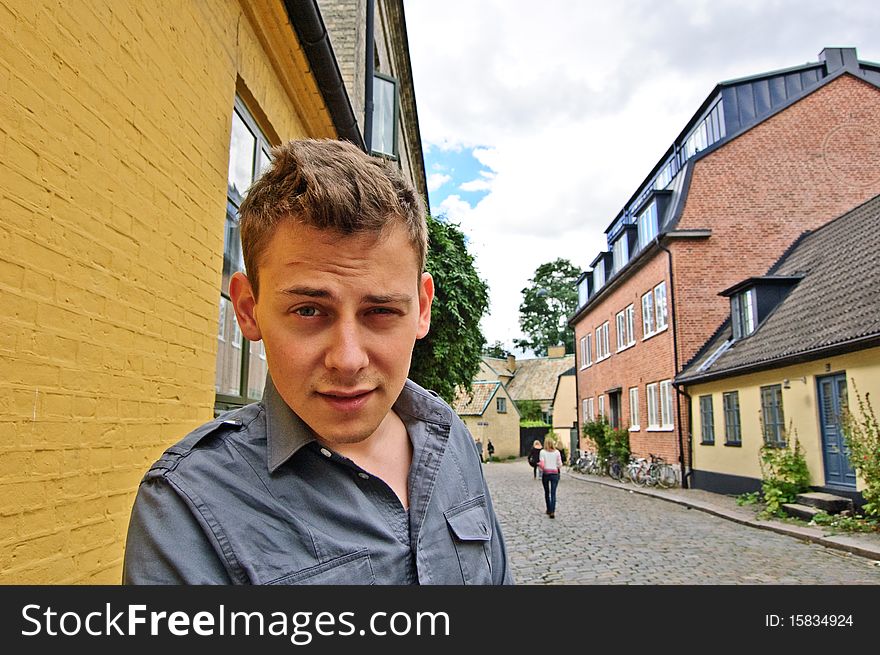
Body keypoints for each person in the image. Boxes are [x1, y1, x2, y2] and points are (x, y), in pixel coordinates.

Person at [123, 139, 512, 585]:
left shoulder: (451, 440)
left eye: (381, 312)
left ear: (421, 309)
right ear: (249, 309)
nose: (347, 359)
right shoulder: (187, 506)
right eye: (309, 311)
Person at [538, 436, 563, 518]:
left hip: (546, 473)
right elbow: (560, 464)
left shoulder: (542, 452)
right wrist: (555, 466)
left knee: (546, 492)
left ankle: (548, 509)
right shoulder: (557, 452)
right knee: (553, 493)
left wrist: (539, 466)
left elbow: (542, 464)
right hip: (555, 474)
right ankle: (552, 511)